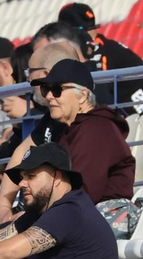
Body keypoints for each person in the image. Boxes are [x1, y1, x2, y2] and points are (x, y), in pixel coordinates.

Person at [35, 59, 135, 211]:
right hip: (70, 217)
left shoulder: (97, 129)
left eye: (57, 89)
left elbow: (82, 194)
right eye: (45, 89)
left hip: (93, 223)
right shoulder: (67, 130)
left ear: (82, 96)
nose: (48, 96)